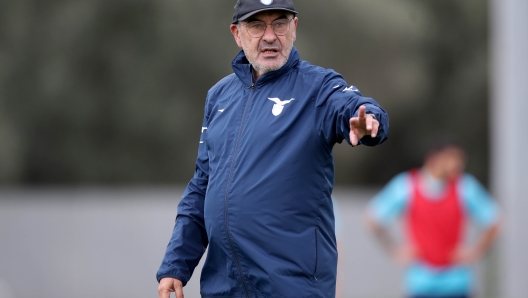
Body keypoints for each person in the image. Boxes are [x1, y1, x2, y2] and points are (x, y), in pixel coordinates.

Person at [157, 0, 389, 297]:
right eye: (256, 25)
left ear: (294, 28)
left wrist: (369, 121)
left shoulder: (317, 87)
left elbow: (352, 106)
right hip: (224, 287)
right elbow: (201, 187)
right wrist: (175, 265)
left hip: (292, 286)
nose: (269, 36)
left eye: (279, 23)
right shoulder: (219, 96)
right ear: (237, 34)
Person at [365, 138, 500, 298]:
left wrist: (475, 252)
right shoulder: (407, 186)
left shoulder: (464, 186)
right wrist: (395, 250)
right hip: (420, 284)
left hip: (457, 283)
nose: (458, 165)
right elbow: (372, 219)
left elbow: (494, 221)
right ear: (434, 158)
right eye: (453, 158)